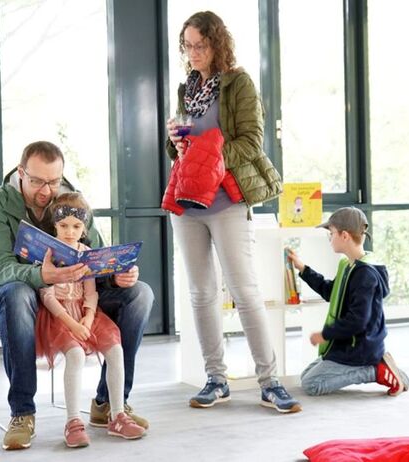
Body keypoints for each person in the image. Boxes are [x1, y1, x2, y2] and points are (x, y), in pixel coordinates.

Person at [163, 11, 301, 414]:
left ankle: (269, 381)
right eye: (187, 46)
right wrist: (177, 141)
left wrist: (208, 148)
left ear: (217, 44)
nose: (192, 53)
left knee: (244, 293)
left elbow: (251, 143)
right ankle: (216, 378)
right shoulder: (187, 87)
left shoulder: (238, 83)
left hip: (227, 202)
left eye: (200, 45)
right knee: (201, 294)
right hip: (188, 204)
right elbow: (179, 153)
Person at [0, 141, 153, 451]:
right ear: (21, 173)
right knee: (18, 293)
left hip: (76, 293)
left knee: (140, 293)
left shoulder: (71, 200)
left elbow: (97, 255)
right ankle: (23, 413)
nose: (46, 190)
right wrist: (41, 276)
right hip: (24, 291)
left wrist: (119, 274)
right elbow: (1, 267)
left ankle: (109, 404)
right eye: (37, 181)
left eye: (54, 181)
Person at [35, 192, 145, 447]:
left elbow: (91, 292)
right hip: (58, 316)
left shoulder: (87, 253)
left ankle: (117, 414)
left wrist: (87, 318)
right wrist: (72, 324)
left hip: (85, 313)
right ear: (55, 225)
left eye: (76, 226)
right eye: (63, 226)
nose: (69, 232)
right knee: (74, 356)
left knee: (115, 349)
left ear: (84, 228)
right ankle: (73, 421)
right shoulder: (48, 252)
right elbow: (47, 295)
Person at [286, 207, 409, 397]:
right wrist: (303, 269)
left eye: (331, 233)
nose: (330, 239)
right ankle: (389, 370)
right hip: (346, 345)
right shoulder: (349, 265)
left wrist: (324, 335)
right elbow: (331, 292)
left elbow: (358, 320)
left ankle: (376, 371)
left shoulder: (365, 274)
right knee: (306, 377)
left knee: (311, 385)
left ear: (344, 236)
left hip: (359, 349)